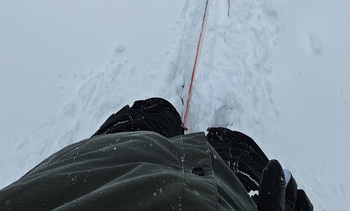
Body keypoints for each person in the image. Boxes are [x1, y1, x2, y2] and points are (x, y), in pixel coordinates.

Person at [0, 97, 313, 210]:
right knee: (233, 148)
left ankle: (189, 134)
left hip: (104, 164)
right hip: (225, 193)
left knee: (155, 112)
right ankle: (217, 142)